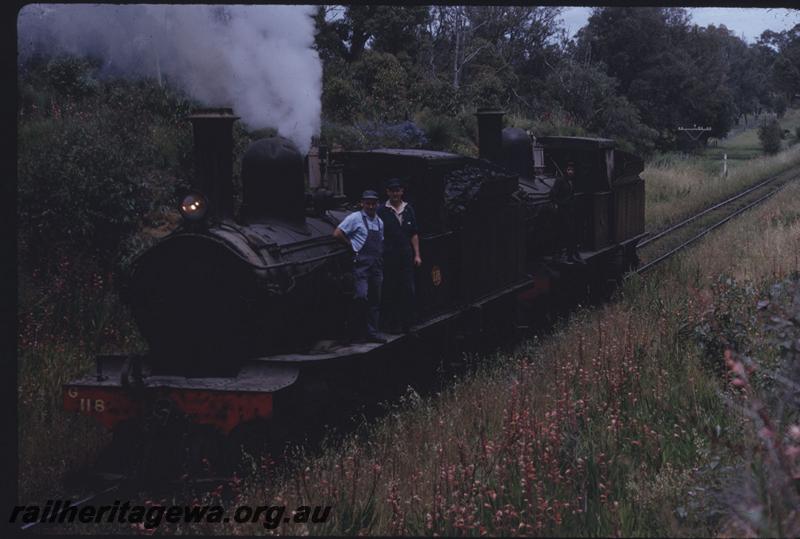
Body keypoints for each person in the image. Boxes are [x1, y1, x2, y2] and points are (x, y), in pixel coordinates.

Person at [333, 190, 387, 344]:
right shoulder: (354, 218)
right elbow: (337, 233)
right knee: (361, 296)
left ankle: (372, 332)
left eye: (373, 203)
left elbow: (380, 242)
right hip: (361, 265)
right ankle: (354, 331)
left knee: (375, 299)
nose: (370, 206)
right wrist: (351, 245)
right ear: (362, 203)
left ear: (377, 204)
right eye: (367, 203)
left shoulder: (379, 222)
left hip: (376, 265)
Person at [377, 178, 421, 333]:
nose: (395, 193)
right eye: (392, 191)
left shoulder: (409, 209)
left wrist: (417, 255)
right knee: (391, 289)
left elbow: (414, 234)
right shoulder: (381, 210)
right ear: (387, 192)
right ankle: (392, 324)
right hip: (389, 255)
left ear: (402, 192)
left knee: (408, 288)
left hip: (406, 254)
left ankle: (408, 323)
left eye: (398, 190)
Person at [551, 161, 581, 262]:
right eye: (569, 170)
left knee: (571, 232)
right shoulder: (560, 181)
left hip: (570, 211)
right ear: (565, 171)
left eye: (572, 170)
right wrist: (560, 204)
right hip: (562, 211)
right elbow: (552, 195)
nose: (571, 172)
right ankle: (560, 254)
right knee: (563, 232)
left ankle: (570, 254)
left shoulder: (571, 181)